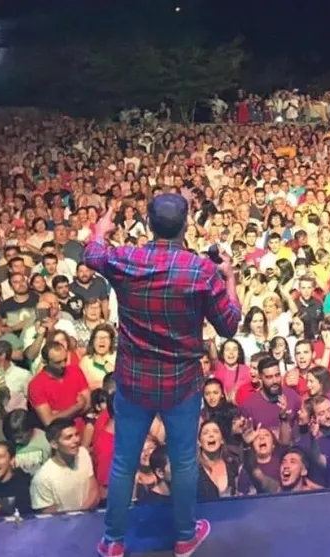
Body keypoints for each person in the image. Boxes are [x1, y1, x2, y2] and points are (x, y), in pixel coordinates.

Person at [86, 195, 242, 557]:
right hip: (181, 385)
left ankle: (113, 542)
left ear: (148, 222)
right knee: (184, 458)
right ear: (186, 224)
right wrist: (230, 277)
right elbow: (230, 324)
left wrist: (100, 230)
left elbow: (92, 255)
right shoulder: (201, 271)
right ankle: (185, 537)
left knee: (124, 460)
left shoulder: (127, 259)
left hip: (135, 379)